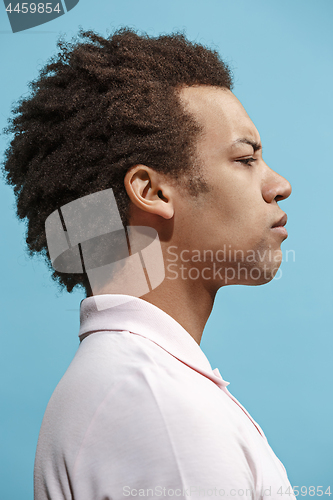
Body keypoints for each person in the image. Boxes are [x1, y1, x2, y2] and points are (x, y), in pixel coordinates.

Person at [2, 27, 295, 499]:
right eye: (246, 159)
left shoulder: (133, 384)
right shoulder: (162, 409)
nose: (279, 184)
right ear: (152, 191)